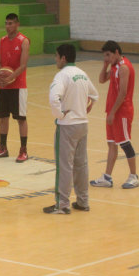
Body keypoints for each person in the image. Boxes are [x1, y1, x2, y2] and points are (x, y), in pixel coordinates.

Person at [43, 44, 99, 214]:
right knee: (81, 165)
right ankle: (83, 201)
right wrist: (88, 107)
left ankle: (62, 204)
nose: (55, 59)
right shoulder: (82, 74)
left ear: (63, 58)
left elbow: (54, 99)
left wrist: (59, 115)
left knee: (64, 166)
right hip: (83, 124)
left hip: (68, 126)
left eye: (56, 56)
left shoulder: (61, 76)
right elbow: (95, 94)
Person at [90, 40, 139, 189]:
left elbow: (123, 93)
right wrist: (105, 65)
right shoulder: (113, 66)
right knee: (111, 143)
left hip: (122, 111)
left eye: (108, 55)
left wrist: (112, 113)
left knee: (124, 143)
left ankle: (134, 176)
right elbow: (101, 80)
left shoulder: (124, 67)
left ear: (116, 52)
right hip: (112, 110)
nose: (106, 58)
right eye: (105, 55)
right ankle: (107, 177)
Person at [0, 13, 30, 163]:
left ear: (17, 24)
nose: (8, 26)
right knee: (3, 117)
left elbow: (23, 65)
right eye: (6, 23)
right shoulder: (1, 41)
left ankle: (23, 150)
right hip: (3, 86)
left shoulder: (23, 41)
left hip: (18, 87)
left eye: (11, 23)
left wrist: (11, 77)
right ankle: (2, 148)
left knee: (21, 119)